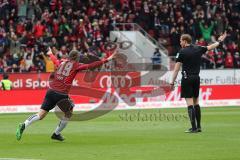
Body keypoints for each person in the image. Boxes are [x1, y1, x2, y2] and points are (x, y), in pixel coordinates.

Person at [16, 47, 116, 141]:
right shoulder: (76, 65)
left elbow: (55, 60)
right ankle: (56, 133)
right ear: (76, 58)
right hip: (61, 94)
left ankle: (24, 124)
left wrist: (50, 53)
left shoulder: (62, 62)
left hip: (50, 91)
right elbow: (91, 66)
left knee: (41, 114)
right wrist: (108, 59)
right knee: (68, 113)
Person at [170, 32, 227, 133]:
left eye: (180, 41)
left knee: (189, 104)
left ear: (184, 41)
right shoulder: (198, 48)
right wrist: (219, 41)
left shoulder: (181, 52)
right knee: (196, 102)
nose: (180, 43)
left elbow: (176, 69)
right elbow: (211, 47)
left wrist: (172, 82)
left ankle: (194, 128)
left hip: (187, 79)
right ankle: (199, 126)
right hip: (196, 78)